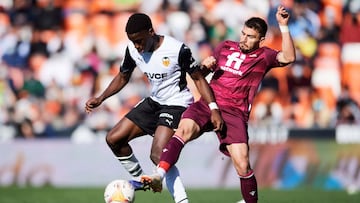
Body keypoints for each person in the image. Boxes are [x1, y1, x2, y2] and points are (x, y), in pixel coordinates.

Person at [140, 5, 295, 203]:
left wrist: (283, 26)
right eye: (243, 34)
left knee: (243, 163)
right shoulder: (225, 47)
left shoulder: (265, 56)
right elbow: (200, 76)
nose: (244, 39)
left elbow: (289, 57)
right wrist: (205, 67)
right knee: (183, 130)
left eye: (250, 36)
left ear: (261, 40)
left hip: (234, 112)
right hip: (208, 102)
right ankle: (158, 175)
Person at [84, 13, 222, 203]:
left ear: (151, 31)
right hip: (154, 102)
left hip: (177, 103)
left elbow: (198, 78)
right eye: (133, 42)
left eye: (140, 41)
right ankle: (143, 180)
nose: (137, 46)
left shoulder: (176, 49)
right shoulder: (133, 50)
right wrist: (101, 98)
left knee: (158, 154)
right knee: (114, 139)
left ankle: (182, 201)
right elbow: (123, 76)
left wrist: (213, 108)